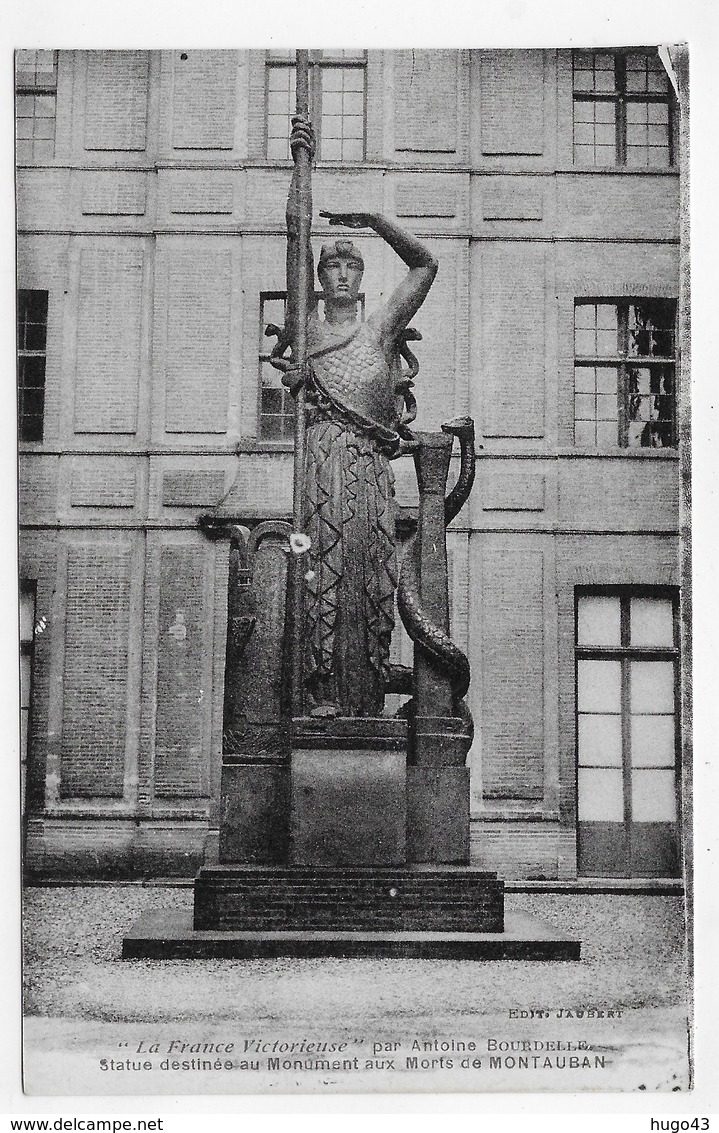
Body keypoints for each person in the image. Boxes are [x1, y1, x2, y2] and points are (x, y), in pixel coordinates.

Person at [284, 115, 437, 717]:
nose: (341, 274)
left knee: (371, 572)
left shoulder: (380, 329)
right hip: (322, 458)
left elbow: (425, 266)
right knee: (318, 566)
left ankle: (366, 694)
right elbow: (295, 233)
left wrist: (377, 222)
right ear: (321, 280)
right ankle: (320, 693)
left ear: (361, 278)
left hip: (370, 464)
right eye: (331, 268)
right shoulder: (307, 333)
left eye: (351, 267)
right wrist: (300, 160)